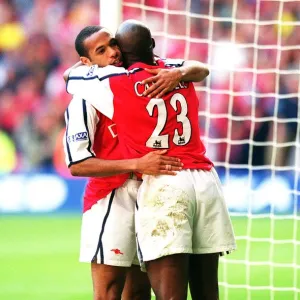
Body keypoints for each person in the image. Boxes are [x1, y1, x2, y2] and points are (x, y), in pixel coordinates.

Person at [67, 20, 237, 300]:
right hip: (115, 193)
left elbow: (68, 76)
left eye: (114, 44)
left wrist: (180, 71)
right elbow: (76, 164)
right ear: (86, 61)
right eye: (102, 50)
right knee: (111, 290)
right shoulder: (87, 96)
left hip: (159, 186)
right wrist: (135, 164)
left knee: (138, 289)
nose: (112, 52)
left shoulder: (125, 80)